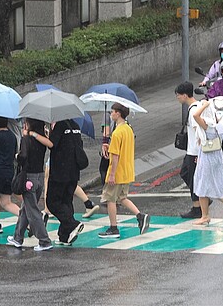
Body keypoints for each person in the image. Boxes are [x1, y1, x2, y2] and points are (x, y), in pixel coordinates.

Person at [98, 103, 151, 238]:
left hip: (117, 172)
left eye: (112, 112)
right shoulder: (128, 129)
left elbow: (115, 156)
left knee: (110, 199)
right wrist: (108, 146)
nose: (111, 114)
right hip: (127, 170)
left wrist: (112, 175)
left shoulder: (116, 133)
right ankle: (140, 216)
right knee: (122, 197)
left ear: (118, 114)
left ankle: (113, 228)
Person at [191, 99, 223, 225]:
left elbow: (195, 115)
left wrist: (204, 105)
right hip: (216, 156)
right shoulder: (218, 124)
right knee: (216, 184)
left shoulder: (207, 125)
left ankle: (205, 216)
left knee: (201, 185)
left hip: (207, 157)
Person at [7, 118, 53, 251]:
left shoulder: (26, 140)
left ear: (29, 124)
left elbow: (23, 157)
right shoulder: (41, 139)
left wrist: (17, 156)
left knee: (32, 210)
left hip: (28, 178)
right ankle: (17, 237)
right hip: (39, 176)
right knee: (25, 209)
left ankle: (44, 241)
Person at [47, 119, 85, 245]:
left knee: (52, 202)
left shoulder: (60, 125)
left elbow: (52, 144)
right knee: (66, 201)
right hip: (74, 171)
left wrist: (48, 133)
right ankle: (64, 236)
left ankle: (72, 224)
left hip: (60, 171)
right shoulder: (75, 125)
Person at [175, 81, 202, 218]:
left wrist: (199, 152)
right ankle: (202, 201)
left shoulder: (193, 111)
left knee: (193, 179)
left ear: (185, 95)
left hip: (195, 152)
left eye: (178, 95)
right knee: (185, 173)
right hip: (191, 151)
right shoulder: (197, 107)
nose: (177, 98)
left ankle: (198, 207)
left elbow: (199, 131)